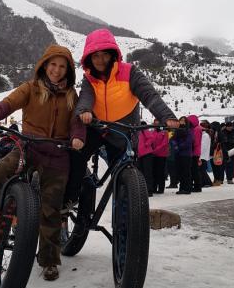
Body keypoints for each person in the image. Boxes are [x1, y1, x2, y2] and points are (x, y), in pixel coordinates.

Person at [0, 45, 85, 281]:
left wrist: (78, 137)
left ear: (68, 70)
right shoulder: (30, 88)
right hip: (29, 147)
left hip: (57, 153)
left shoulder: (71, 95)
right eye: (53, 64)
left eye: (62, 66)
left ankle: (49, 261)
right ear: (44, 65)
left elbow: (77, 122)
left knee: (51, 210)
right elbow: (7, 103)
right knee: (0, 170)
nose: (56, 70)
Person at [63, 28, 179, 205]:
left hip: (123, 131)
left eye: (104, 55)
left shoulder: (130, 72)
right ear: (89, 59)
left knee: (124, 177)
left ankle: (125, 221)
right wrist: (84, 111)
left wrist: (166, 116)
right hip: (97, 127)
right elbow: (86, 97)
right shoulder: (89, 78)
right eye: (95, 56)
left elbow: (149, 95)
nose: (100, 60)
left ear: (112, 54)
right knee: (75, 155)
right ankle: (70, 198)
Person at [172, 116, 193, 194]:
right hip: (178, 154)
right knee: (180, 172)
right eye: (181, 120)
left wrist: (178, 146)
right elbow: (173, 139)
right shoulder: (177, 131)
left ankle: (187, 188)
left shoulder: (189, 131)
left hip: (186, 154)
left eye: (184, 120)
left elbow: (188, 143)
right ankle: (182, 188)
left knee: (186, 172)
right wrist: (175, 145)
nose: (182, 122)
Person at [151, 119, 169, 194]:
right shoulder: (153, 132)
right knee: (154, 172)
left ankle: (161, 188)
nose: (157, 125)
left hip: (161, 155)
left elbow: (164, 143)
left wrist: (155, 150)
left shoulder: (164, 132)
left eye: (158, 123)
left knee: (160, 172)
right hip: (153, 154)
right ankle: (154, 188)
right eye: (155, 123)